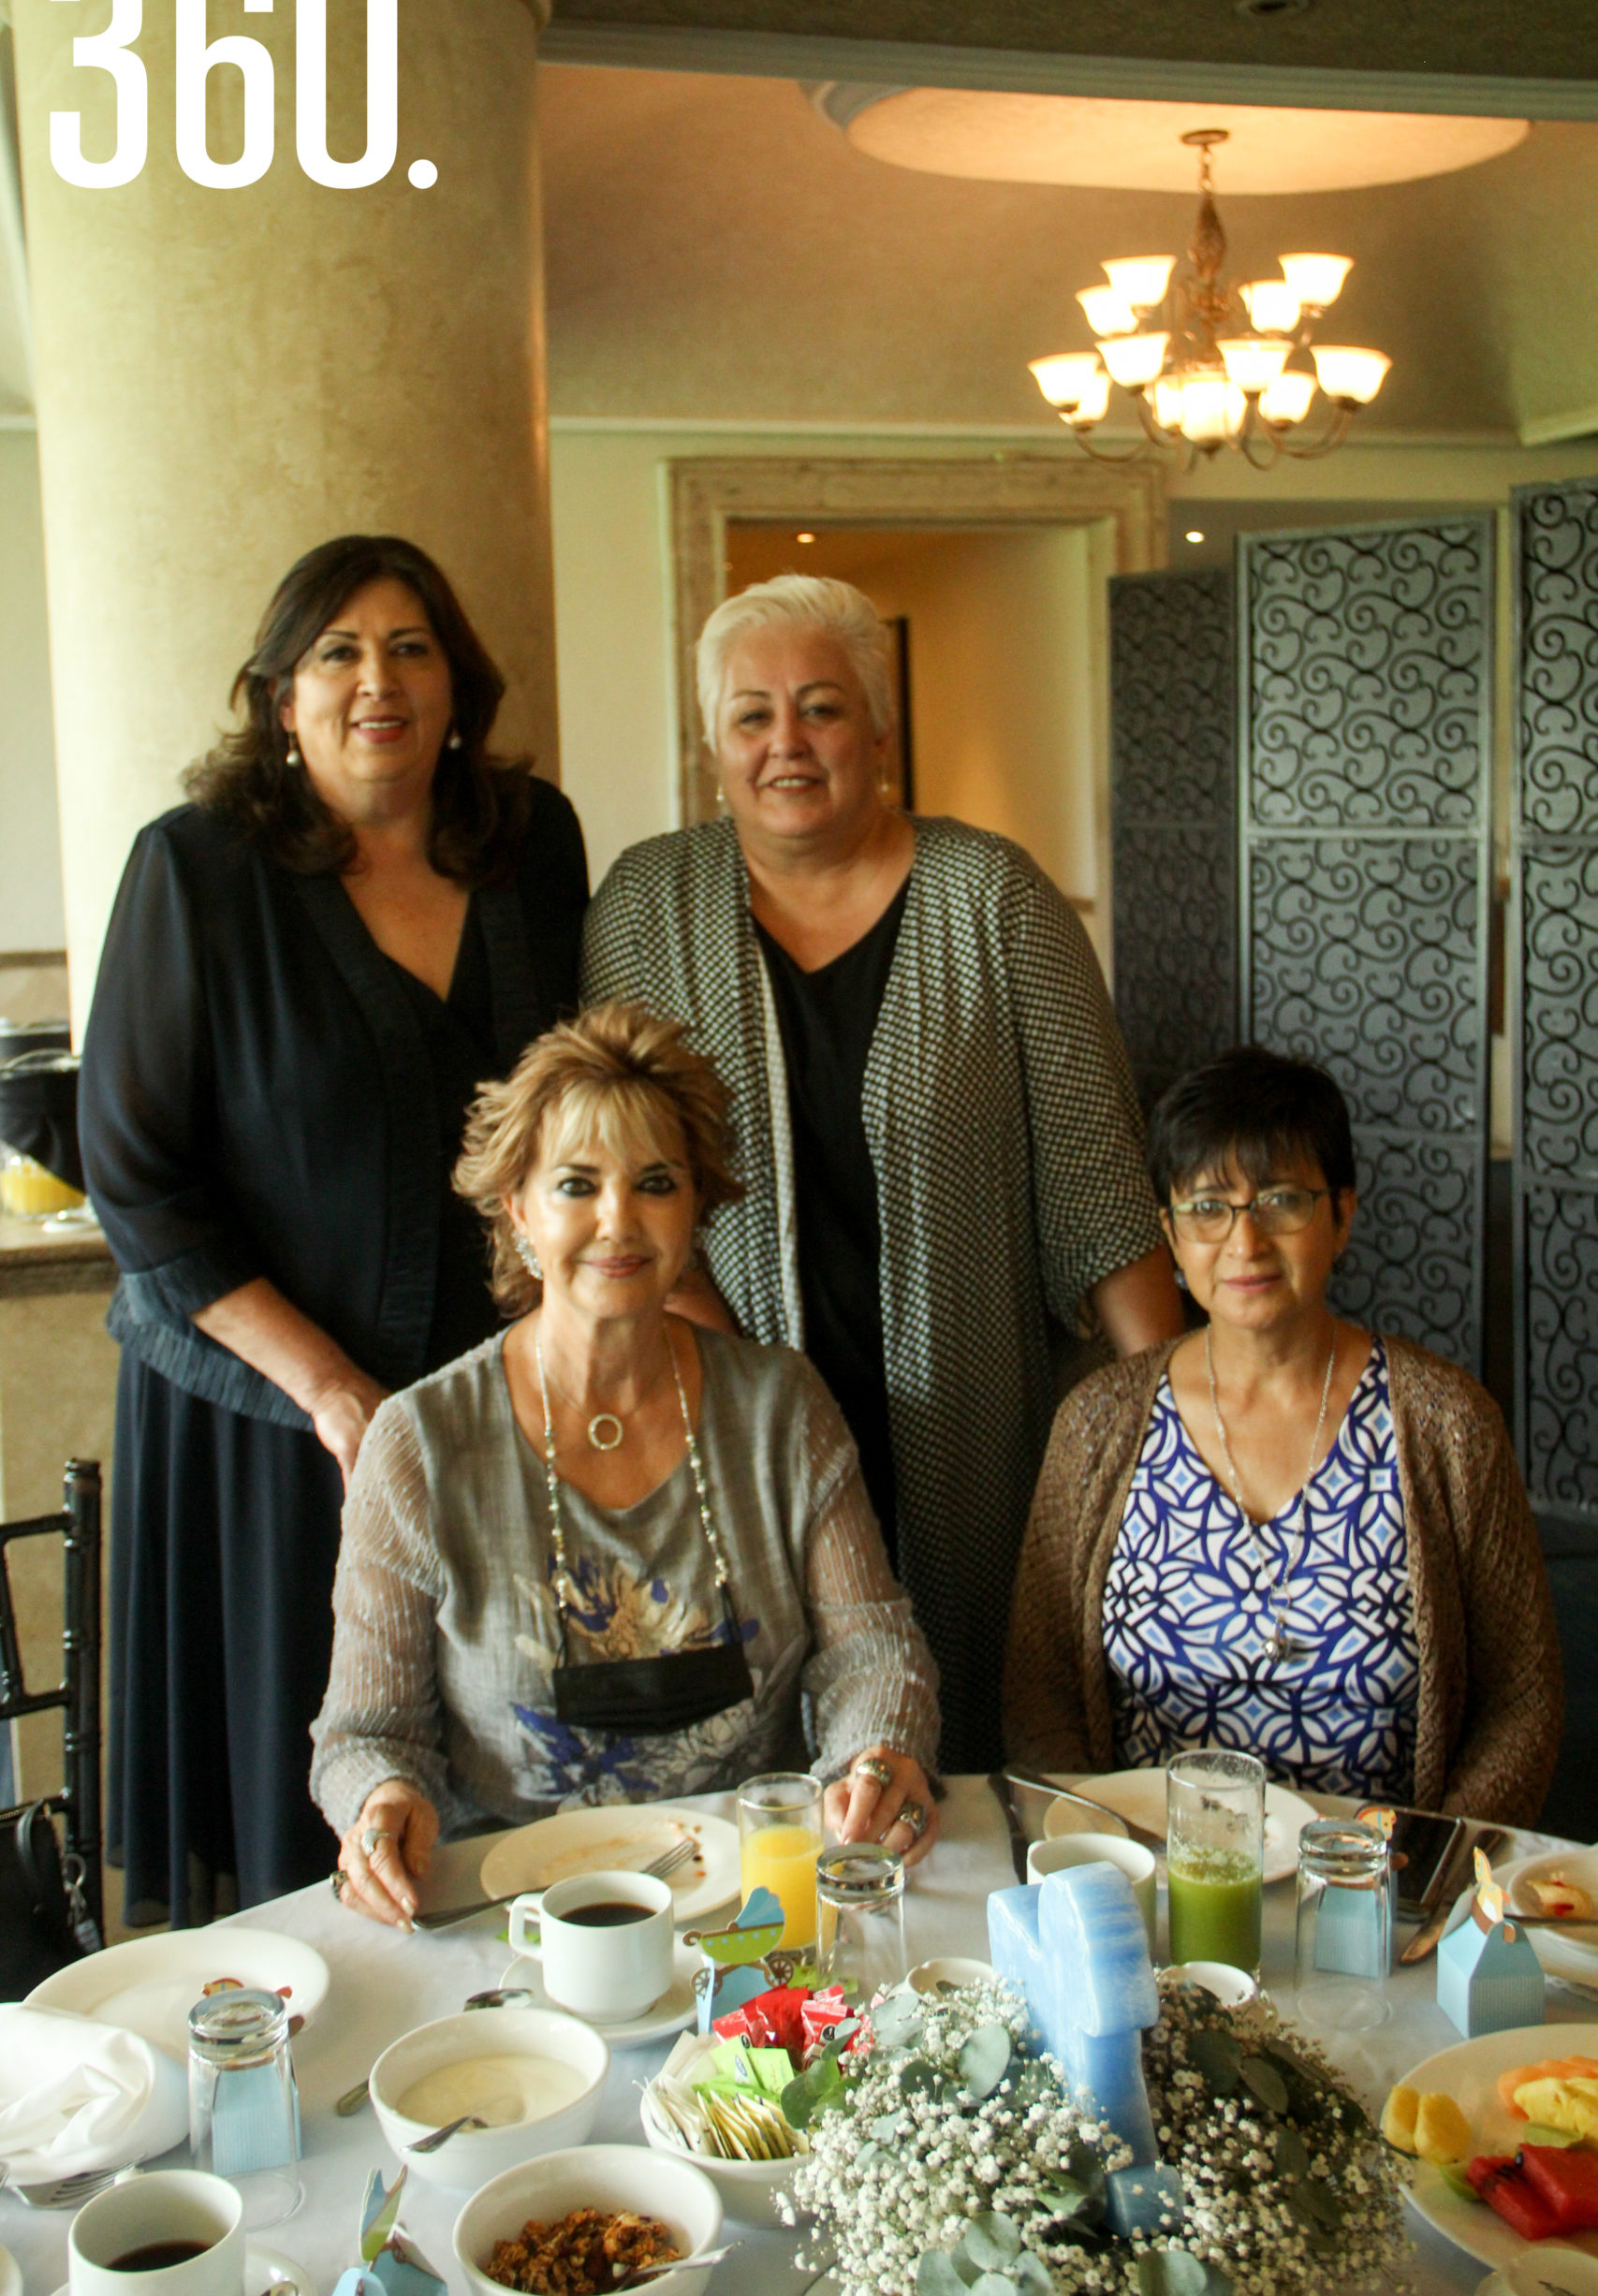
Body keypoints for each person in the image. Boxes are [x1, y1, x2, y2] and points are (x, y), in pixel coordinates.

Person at [580, 574, 1181, 1772]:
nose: (786, 744)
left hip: (970, 1413)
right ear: (714, 746)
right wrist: (749, 1388)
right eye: (752, 716)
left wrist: (1174, 1429)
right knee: (757, 1752)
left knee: (966, 1736)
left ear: (880, 733)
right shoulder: (648, 901)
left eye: (822, 708)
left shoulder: (993, 896)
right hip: (730, 1403)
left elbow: (1099, 1190)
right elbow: (619, 1172)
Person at [79, 534, 588, 1922]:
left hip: (494, 1400)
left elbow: (581, 1102)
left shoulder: (533, 844)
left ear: (457, 682)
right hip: (270, 1418)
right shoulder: (195, 869)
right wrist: (325, 1385)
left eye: (411, 647)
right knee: (302, 1808)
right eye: (338, 652)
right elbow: (137, 1181)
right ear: (279, 699)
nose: (379, 681)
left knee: (507, 1779)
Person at [311, 1001, 941, 1924]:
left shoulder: (781, 1406)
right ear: (517, 1206)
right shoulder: (420, 1440)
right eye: (577, 1184)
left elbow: (873, 1653)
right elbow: (366, 1734)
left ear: (696, 1208)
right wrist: (379, 1804)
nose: (619, 1220)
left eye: (655, 1181)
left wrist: (878, 1755)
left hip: (751, 1901)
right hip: (505, 1917)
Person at [1004, 1047, 1562, 1824]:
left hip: (1375, 1904)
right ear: (1167, 1231)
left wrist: (1419, 1869)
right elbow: (1041, 1689)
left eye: (1279, 1201)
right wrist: (1102, 1859)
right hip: (1151, 1891)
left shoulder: (1447, 1427)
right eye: (1206, 1207)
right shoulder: (1096, 1424)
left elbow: (1521, 1701)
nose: (1244, 1243)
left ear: (1341, 1214)